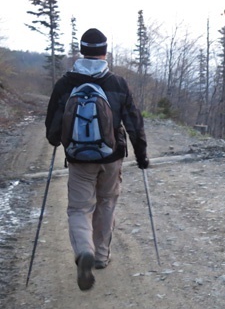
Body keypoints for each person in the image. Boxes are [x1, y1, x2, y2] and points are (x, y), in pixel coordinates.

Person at [45, 28, 149, 291]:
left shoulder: (65, 84)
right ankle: (101, 256)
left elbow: (52, 133)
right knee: (106, 202)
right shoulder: (117, 83)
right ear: (104, 52)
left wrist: (60, 140)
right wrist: (142, 155)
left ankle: (83, 250)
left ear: (82, 51)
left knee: (79, 209)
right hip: (111, 157)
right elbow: (134, 123)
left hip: (79, 160)